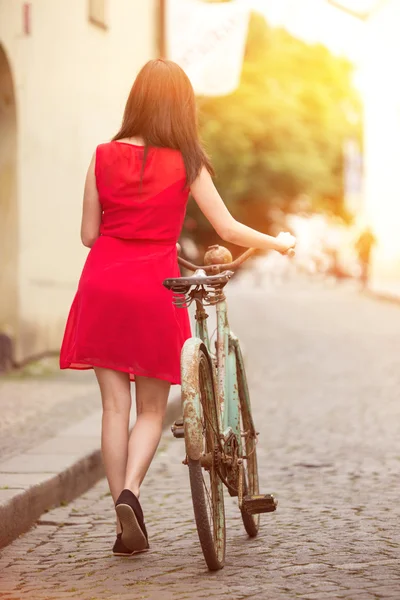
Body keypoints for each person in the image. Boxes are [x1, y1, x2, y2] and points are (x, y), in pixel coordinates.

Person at [59, 59, 296, 557]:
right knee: (149, 408)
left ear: (137, 101)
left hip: (102, 283)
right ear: (181, 108)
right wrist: (277, 242)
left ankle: (122, 519)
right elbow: (227, 230)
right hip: (153, 287)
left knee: (113, 407)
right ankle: (132, 494)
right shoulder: (187, 162)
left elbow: (86, 235)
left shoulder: (102, 155)